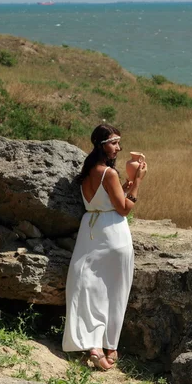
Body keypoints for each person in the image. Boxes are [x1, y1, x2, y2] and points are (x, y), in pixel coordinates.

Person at [62, 124, 147, 370]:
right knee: (114, 290)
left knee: (86, 286)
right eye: (113, 143)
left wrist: (127, 184)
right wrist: (138, 182)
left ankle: (95, 345)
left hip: (89, 228)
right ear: (101, 145)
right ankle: (110, 346)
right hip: (113, 231)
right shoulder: (108, 173)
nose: (118, 148)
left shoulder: (89, 170)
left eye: (119, 142)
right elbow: (124, 208)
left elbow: (110, 198)